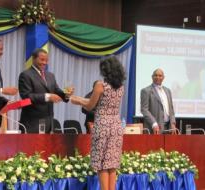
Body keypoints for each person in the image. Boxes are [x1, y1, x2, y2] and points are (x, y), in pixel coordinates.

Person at [70, 55, 125, 190]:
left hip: (103, 126)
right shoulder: (121, 87)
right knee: (111, 164)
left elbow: (90, 105)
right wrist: (80, 99)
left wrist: (77, 100)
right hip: (116, 126)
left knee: (101, 164)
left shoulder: (100, 85)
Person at [18, 48, 73, 133]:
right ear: (34, 59)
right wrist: (47, 96)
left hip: (48, 123)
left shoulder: (50, 75)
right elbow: (26, 96)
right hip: (32, 123)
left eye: (46, 60)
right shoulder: (25, 75)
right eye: (42, 59)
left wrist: (66, 94)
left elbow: (57, 91)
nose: (44, 62)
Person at [140, 68, 176, 134]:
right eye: (155, 75)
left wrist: (173, 123)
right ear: (152, 77)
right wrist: (154, 123)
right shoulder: (146, 91)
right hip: (154, 129)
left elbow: (171, 109)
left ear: (163, 77)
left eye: (160, 75)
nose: (157, 77)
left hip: (169, 128)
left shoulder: (168, 91)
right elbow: (144, 110)